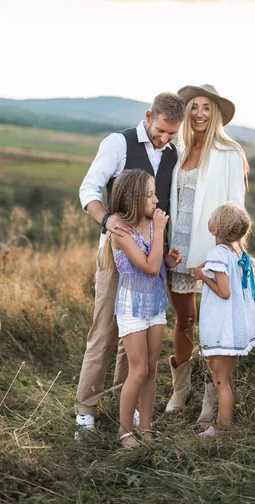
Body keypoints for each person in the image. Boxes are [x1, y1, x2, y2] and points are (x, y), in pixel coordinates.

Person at [75, 91, 185, 432]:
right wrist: (107, 219)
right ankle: (86, 410)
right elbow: (89, 190)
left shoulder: (173, 155)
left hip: (152, 258)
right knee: (105, 332)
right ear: (149, 115)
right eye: (161, 130)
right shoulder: (118, 143)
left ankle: (129, 409)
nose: (164, 138)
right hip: (118, 253)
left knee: (134, 338)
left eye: (172, 133)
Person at [165, 83, 249, 426]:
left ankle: (210, 400)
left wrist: (222, 255)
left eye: (206, 107)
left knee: (212, 327)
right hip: (176, 250)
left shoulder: (230, 153)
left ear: (215, 113)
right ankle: (179, 390)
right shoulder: (177, 149)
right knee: (184, 320)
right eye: (194, 106)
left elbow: (236, 210)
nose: (199, 113)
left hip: (210, 253)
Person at [105, 169, 182, 447]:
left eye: (154, 193)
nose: (156, 199)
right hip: (132, 306)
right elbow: (148, 267)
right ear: (134, 198)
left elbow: (156, 265)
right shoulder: (121, 233)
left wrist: (168, 262)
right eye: (149, 195)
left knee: (151, 370)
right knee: (137, 371)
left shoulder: (151, 224)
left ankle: (146, 428)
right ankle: (125, 431)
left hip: (154, 304)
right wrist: (161, 232)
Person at [193, 201, 255, 437]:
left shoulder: (218, 253)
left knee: (220, 381)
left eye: (211, 216)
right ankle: (225, 425)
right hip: (234, 328)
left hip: (223, 330)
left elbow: (223, 292)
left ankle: (221, 432)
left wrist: (202, 276)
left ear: (215, 229)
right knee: (227, 379)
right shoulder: (237, 253)